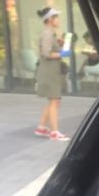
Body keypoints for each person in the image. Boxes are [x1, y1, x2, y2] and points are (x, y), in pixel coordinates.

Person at [34, 7, 69, 141]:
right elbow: (46, 53)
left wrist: (61, 45)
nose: (58, 20)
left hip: (51, 72)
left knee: (54, 101)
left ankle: (42, 128)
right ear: (50, 19)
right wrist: (62, 53)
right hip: (49, 73)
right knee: (54, 101)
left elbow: (50, 51)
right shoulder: (47, 34)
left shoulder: (50, 34)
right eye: (56, 17)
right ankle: (54, 132)